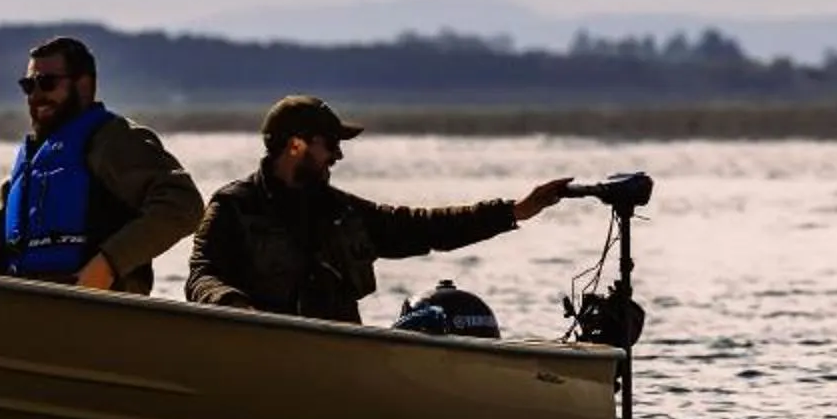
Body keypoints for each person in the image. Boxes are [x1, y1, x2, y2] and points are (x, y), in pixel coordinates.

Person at [184, 96, 572, 321]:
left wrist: (514, 212)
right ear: (296, 145)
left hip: (341, 363)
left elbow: (424, 228)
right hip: (263, 355)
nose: (338, 155)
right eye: (330, 144)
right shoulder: (234, 207)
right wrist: (234, 307)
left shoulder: (342, 212)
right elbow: (202, 276)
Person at [0, 35, 203, 294]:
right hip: (27, 315)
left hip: (100, 315)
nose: (35, 95)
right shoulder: (27, 168)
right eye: (28, 85)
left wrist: (106, 265)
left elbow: (184, 205)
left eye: (47, 83)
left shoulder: (114, 141)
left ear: (83, 85)